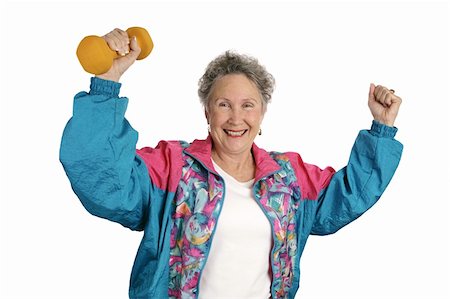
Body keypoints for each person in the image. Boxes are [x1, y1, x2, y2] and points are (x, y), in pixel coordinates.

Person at [60, 28, 403, 299]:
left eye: (248, 105)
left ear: (262, 113)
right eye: (223, 104)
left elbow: (349, 195)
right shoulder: (172, 166)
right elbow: (103, 182)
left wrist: (382, 129)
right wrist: (108, 83)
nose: (236, 118)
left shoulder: (289, 178)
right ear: (207, 112)